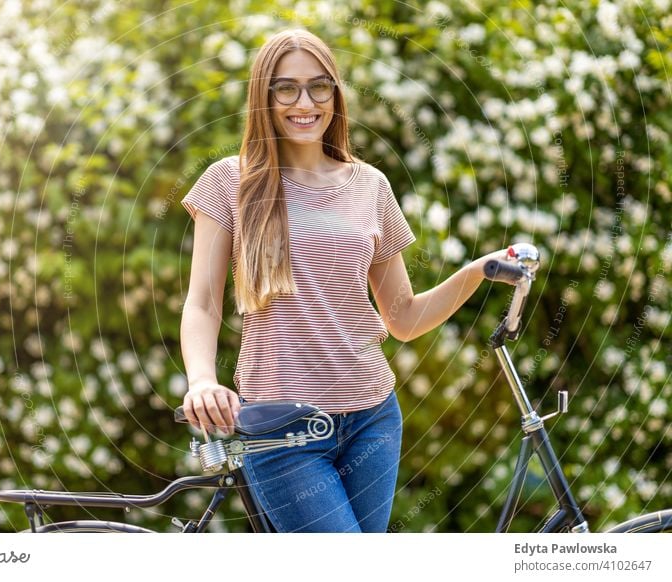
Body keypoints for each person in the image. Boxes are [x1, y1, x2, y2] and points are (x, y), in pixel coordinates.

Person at [179, 28, 509, 532]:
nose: (304, 102)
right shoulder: (229, 181)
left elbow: (402, 318)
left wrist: (474, 272)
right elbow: (202, 302)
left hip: (374, 419)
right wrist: (201, 380)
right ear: (263, 98)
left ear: (336, 93)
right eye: (285, 88)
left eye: (319, 86)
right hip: (282, 427)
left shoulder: (371, 185)